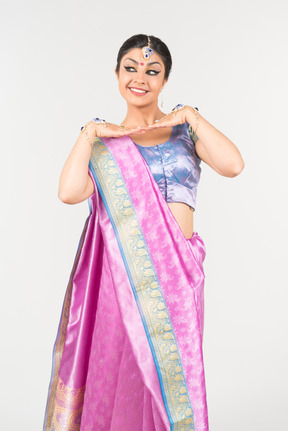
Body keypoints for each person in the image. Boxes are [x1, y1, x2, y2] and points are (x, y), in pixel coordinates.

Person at [43, 34, 244, 431]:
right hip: (124, 277)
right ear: (117, 74)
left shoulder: (185, 134)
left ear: (164, 80)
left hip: (179, 274)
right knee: (123, 370)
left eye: (152, 71)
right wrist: (89, 133)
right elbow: (69, 192)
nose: (140, 78)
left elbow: (233, 165)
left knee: (175, 375)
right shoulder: (105, 146)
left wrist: (191, 116)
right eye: (131, 68)